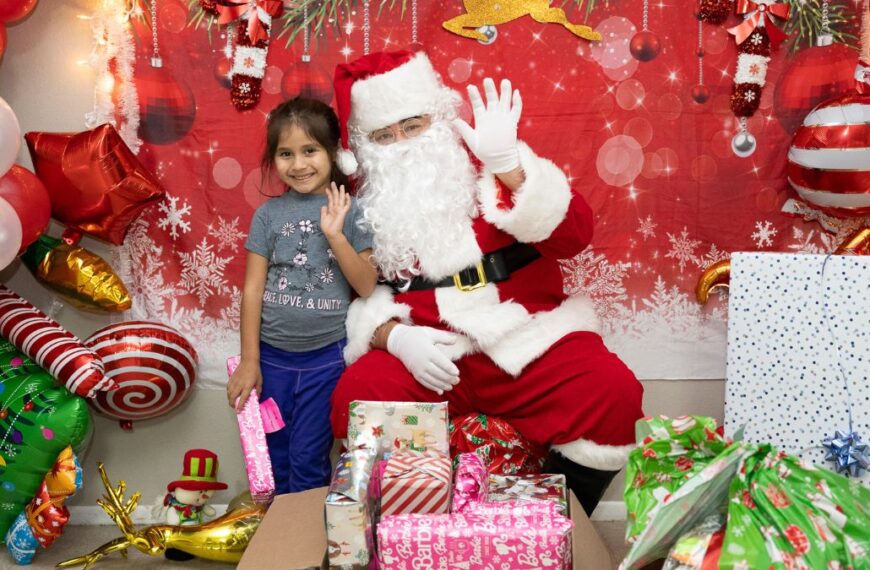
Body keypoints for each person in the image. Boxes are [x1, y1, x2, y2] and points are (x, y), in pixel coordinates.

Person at [328, 51, 644, 515]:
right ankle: (412, 530)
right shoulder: (366, 205)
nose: (403, 144)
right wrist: (392, 336)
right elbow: (365, 290)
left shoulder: (492, 165)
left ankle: (557, 523)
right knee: (355, 398)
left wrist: (512, 166)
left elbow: (576, 236)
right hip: (432, 353)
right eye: (384, 136)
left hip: (524, 340)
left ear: (437, 119)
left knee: (611, 391)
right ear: (366, 146)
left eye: (413, 126)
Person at [227, 97, 378, 494]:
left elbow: (365, 285)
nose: (298, 164)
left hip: (326, 362)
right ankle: (277, 545)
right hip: (271, 360)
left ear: (333, 154)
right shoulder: (268, 216)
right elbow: (253, 290)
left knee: (309, 460)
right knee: (273, 459)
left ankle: (303, 547)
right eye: (286, 154)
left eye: (310, 150)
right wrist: (249, 361)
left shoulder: (353, 211)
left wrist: (335, 235)